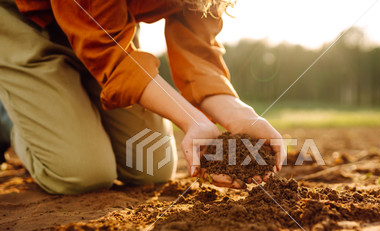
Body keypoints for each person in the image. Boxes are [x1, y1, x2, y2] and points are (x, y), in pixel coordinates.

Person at [0, 0, 285, 194]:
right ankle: (15, 121)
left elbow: (197, 49)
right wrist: (189, 118)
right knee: (81, 173)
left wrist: (241, 114)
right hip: (28, 21)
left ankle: (70, 98)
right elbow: (107, 53)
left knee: (151, 168)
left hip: (111, 30)